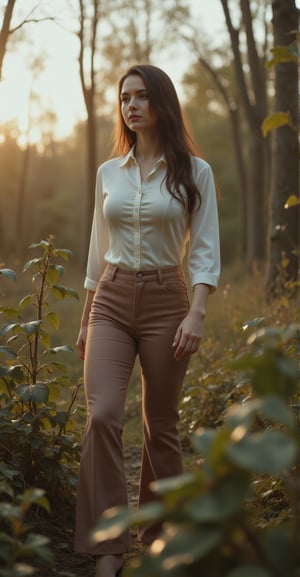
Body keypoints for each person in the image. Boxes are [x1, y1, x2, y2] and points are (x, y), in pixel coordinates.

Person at [74, 63, 220, 577]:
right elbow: (97, 251)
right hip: (111, 299)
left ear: (161, 102)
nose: (130, 106)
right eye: (123, 98)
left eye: (140, 96)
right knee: (102, 413)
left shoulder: (194, 173)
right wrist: (88, 317)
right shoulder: (107, 173)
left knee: (161, 427)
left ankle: (163, 539)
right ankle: (107, 548)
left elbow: (204, 253)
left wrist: (197, 312)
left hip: (167, 301)